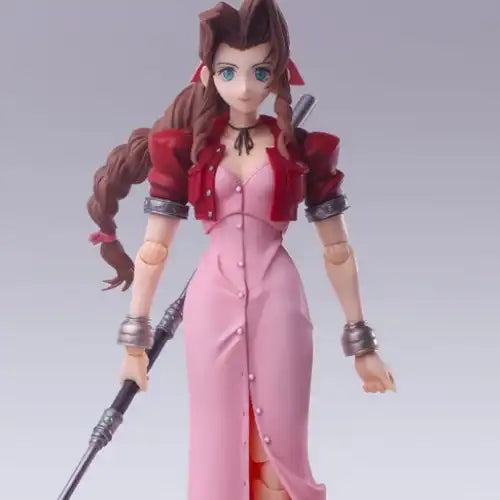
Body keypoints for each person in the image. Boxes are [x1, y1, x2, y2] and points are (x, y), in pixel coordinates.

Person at [87, 1, 396, 498]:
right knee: (216, 438)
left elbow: (337, 249)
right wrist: (134, 341)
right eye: (229, 71)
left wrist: (362, 343)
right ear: (207, 74)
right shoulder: (189, 149)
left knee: (282, 441)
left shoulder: (299, 149)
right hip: (212, 302)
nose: (246, 86)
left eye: (261, 71)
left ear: (280, 74)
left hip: (280, 302)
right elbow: (154, 249)